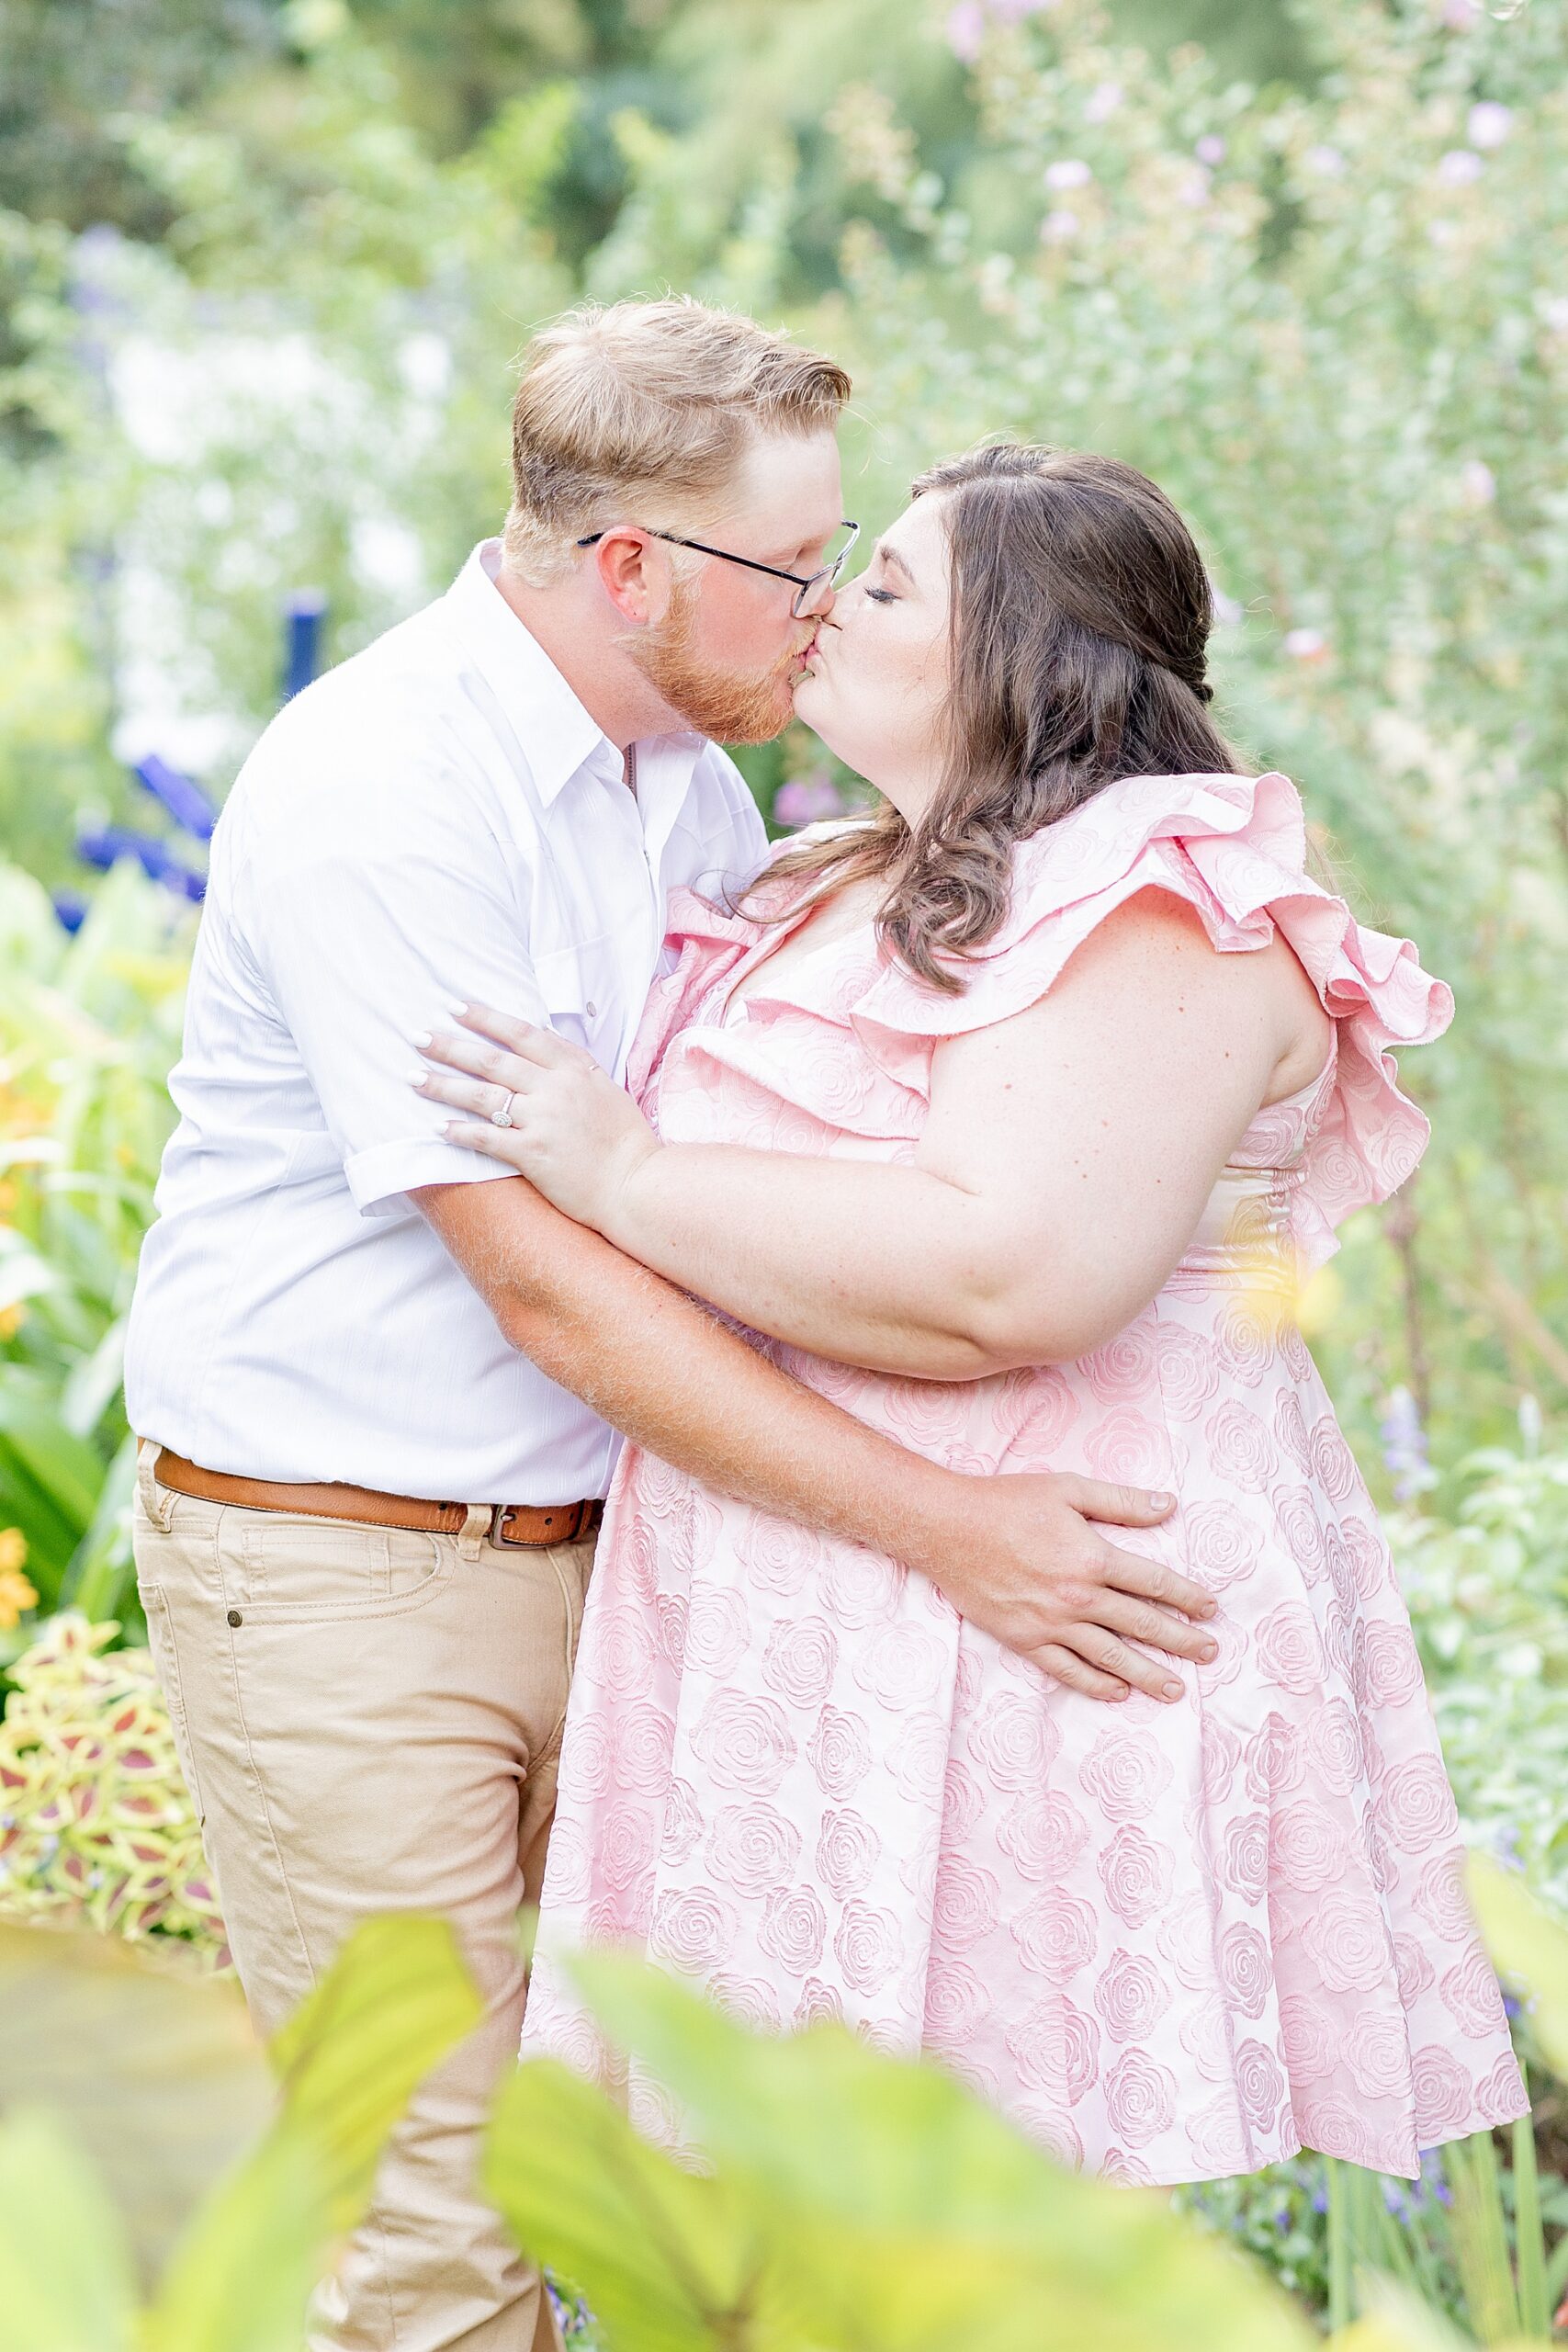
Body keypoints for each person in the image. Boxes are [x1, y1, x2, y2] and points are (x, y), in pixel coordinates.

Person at [124, 311, 1214, 2352]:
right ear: (632, 567)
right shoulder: (386, 790)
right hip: (354, 1574)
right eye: (797, 570)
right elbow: (547, 1278)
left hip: (639, 1570)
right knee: (434, 2240)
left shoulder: (696, 802)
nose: (821, 617)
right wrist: (946, 1527)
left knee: (665, 2191)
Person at [416, 443, 1528, 2185]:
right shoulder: (862, 868)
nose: (818, 606)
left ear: (1018, 658)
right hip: (830, 1621)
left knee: (981, 2239)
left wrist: (626, 1180)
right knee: (787, 2244)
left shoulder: (1158, 898)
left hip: (1029, 1616)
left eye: (878, 585)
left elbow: (1014, 1272)